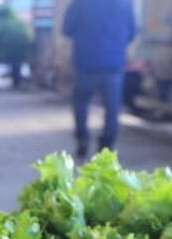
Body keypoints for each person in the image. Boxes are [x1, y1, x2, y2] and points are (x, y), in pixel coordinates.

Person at [63, 0, 138, 158]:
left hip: (85, 62)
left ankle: (82, 140)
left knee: (81, 103)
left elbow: (67, 29)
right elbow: (132, 32)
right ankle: (107, 145)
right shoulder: (125, 3)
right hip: (113, 64)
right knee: (112, 108)